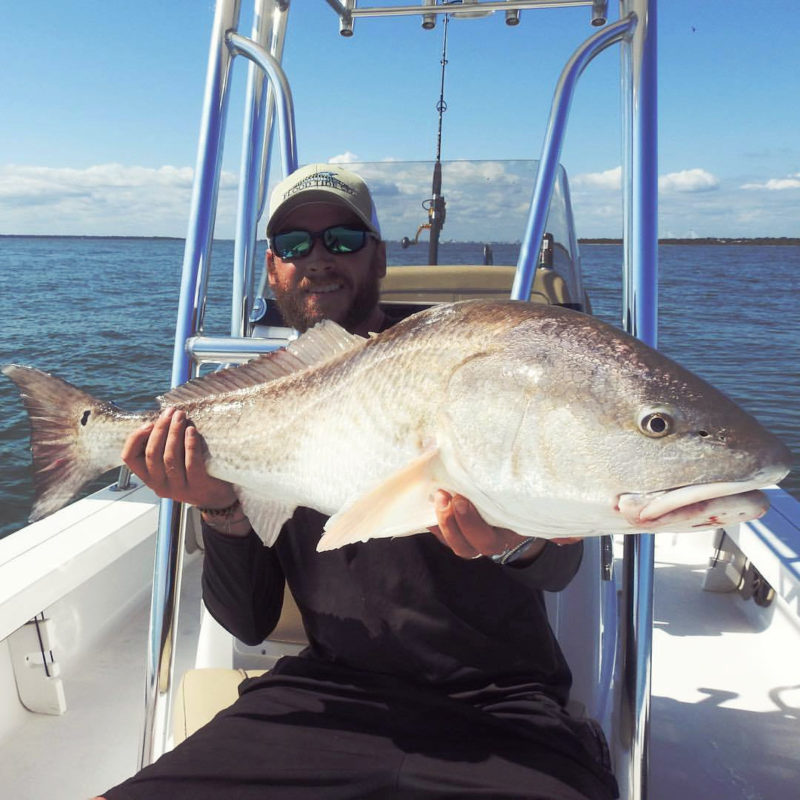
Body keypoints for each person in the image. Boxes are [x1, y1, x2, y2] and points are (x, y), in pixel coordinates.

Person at [97, 164, 618, 800]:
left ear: (377, 256)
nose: (318, 259)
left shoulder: (459, 365)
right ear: (272, 268)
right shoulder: (257, 399)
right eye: (294, 245)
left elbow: (557, 566)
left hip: (501, 706)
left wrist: (515, 541)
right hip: (325, 693)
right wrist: (219, 508)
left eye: (342, 239)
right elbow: (249, 622)